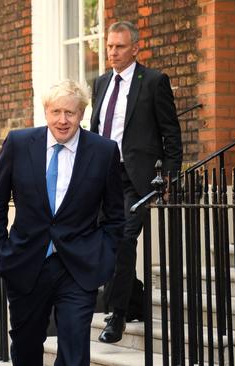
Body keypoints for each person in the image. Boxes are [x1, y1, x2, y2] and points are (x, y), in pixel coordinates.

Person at [0, 80, 125, 366]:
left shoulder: (103, 151)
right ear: (46, 111)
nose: (63, 120)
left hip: (78, 266)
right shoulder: (19, 143)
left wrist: (104, 254)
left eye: (70, 113)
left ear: (82, 114)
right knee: (26, 347)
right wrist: (1, 251)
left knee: (74, 351)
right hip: (26, 263)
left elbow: (114, 215)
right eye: (56, 112)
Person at [91, 21, 183, 344]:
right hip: (103, 178)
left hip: (136, 180)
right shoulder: (101, 83)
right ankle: (139, 301)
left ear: (135, 48)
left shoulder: (154, 82)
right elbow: (95, 130)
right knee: (103, 245)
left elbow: (171, 133)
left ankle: (116, 316)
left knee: (123, 240)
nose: (112, 52)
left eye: (119, 47)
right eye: (109, 46)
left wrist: (168, 176)